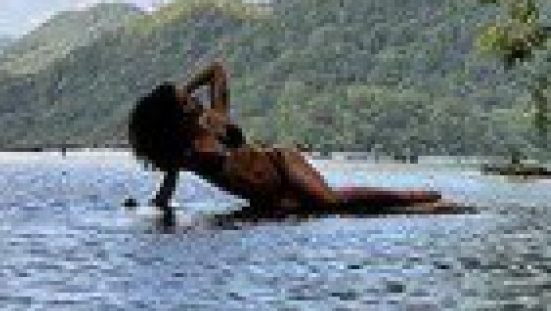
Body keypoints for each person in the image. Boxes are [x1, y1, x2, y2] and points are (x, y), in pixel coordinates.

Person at [127, 61, 449, 216]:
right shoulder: (186, 155)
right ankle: (420, 207)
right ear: (175, 117)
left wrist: (182, 89)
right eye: (186, 102)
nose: (193, 101)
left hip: (282, 163)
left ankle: (413, 197)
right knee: (326, 210)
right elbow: (164, 195)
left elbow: (216, 70)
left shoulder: (217, 121)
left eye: (189, 97)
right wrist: (148, 209)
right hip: (270, 198)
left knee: (330, 201)